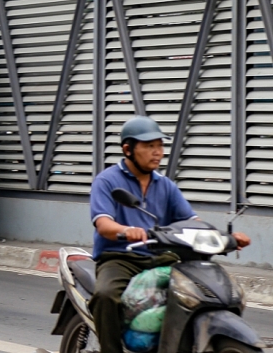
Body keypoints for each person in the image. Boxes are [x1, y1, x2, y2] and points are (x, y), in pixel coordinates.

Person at [88, 116, 251, 353]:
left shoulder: (165, 185)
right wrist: (127, 231)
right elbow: (103, 224)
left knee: (198, 293)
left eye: (160, 145)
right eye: (149, 146)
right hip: (121, 258)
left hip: (162, 257)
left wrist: (224, 238)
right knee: (105, 295)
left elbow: (191, 221)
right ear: (128, 149)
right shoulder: (107, 181)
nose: (158, 152)